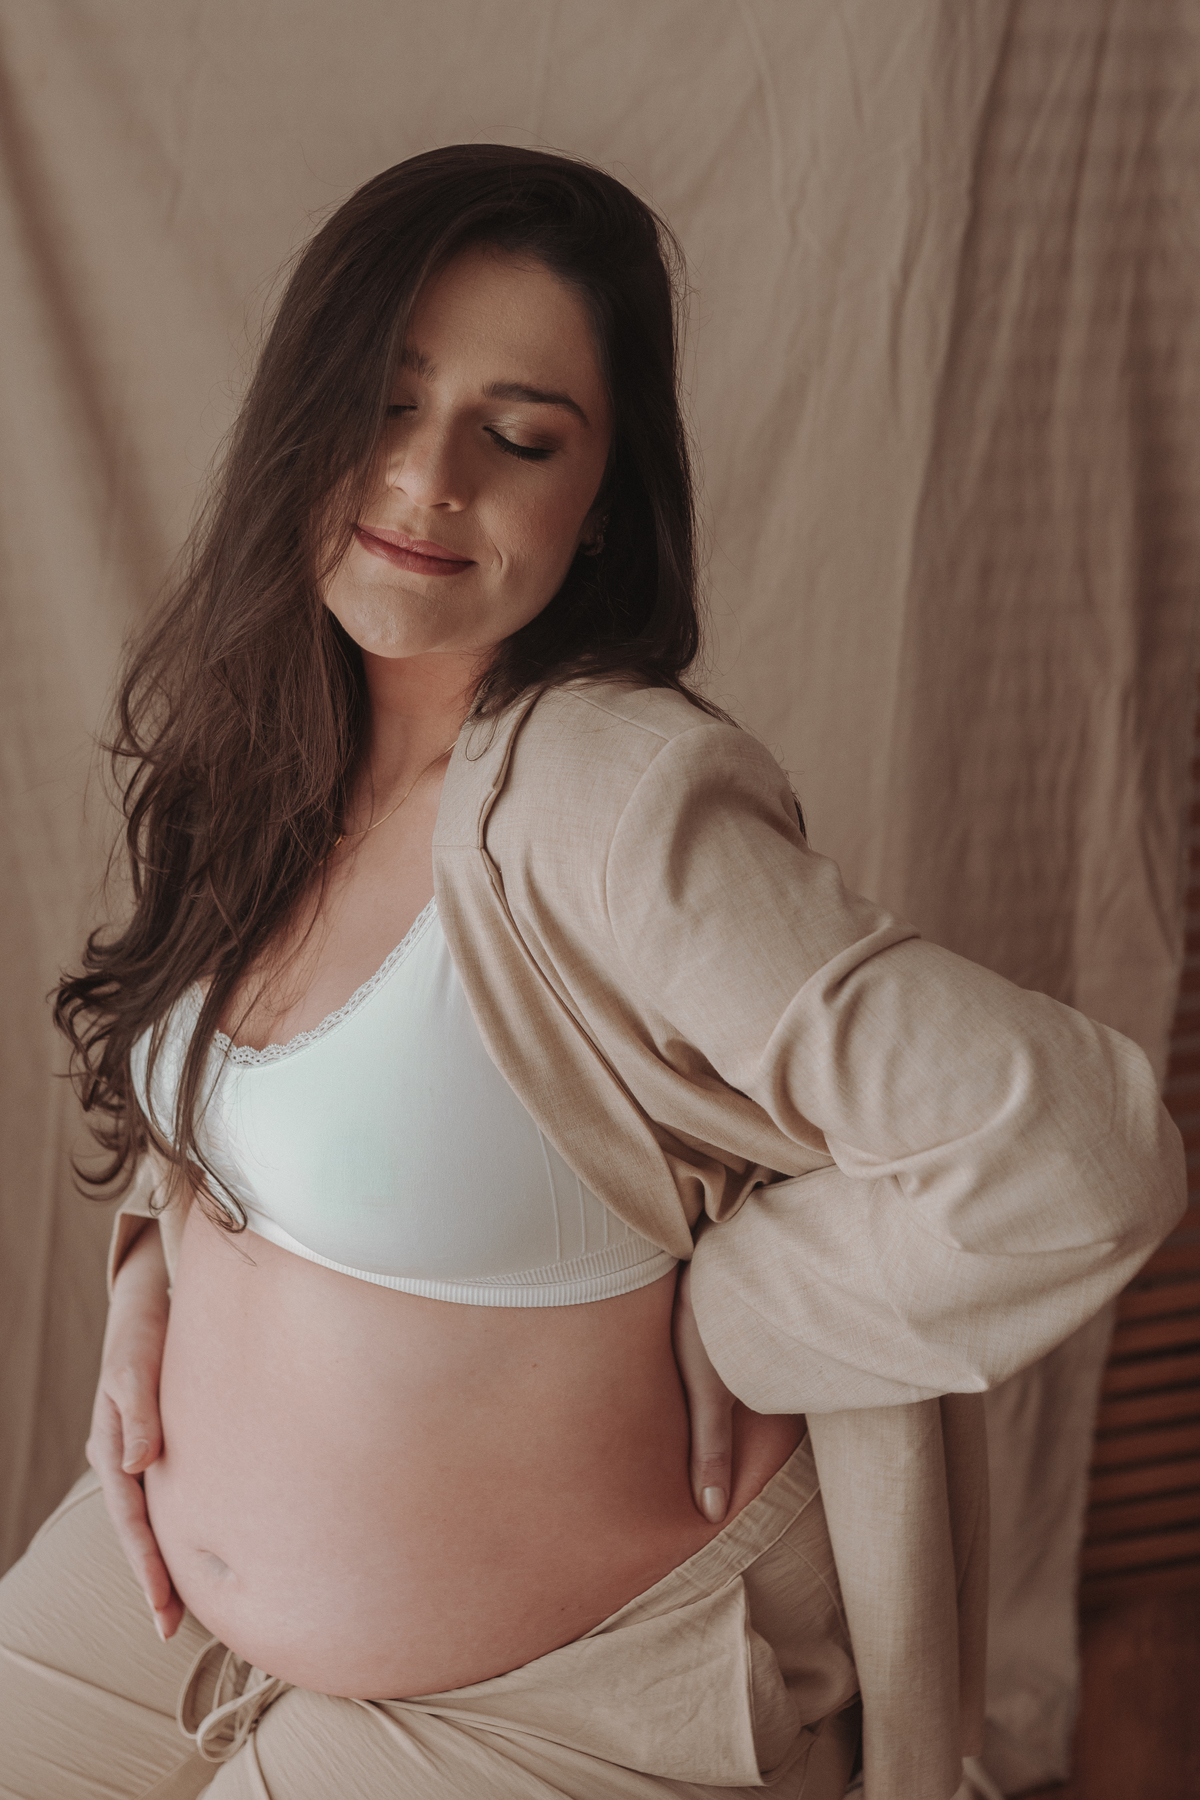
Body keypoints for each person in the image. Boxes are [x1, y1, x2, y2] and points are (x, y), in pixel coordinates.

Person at [0, 145, 1183, 1800]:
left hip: (539, 1690)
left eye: (521, 437)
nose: (425, 480)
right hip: (165, 1591)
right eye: (385, 403)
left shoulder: (610, 805)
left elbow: (1079, 1151)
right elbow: (273, 1092)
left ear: (605, 499)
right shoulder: (271, 732)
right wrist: (160, 1266)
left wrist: (751, 1308)